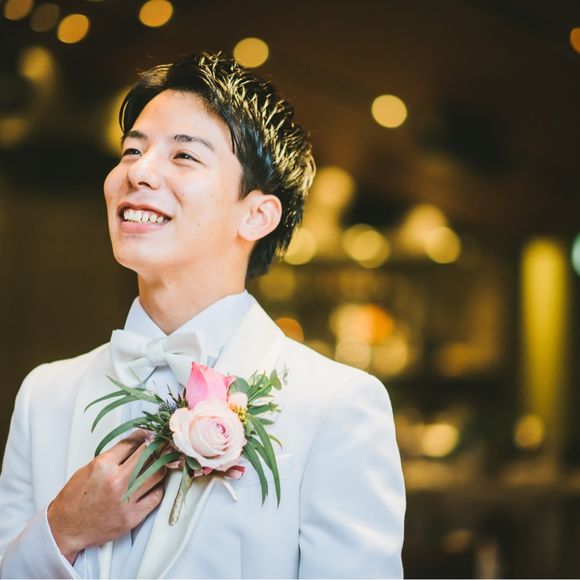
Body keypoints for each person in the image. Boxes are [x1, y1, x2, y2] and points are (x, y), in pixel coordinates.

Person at [0, 52, 406, 578]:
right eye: (131, 150)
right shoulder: (44, 395)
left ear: (257, 214)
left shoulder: (335, 406)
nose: (138, 171)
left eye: (184, 155)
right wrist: (63, 529)